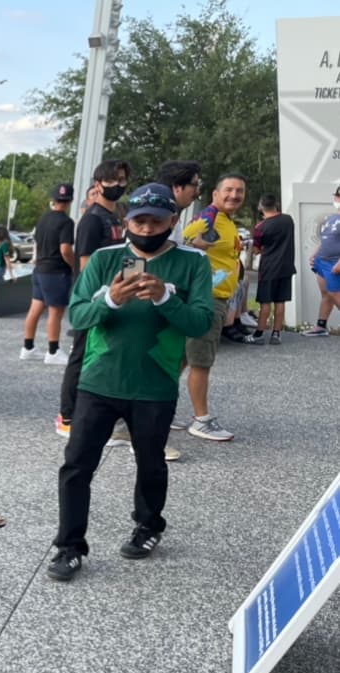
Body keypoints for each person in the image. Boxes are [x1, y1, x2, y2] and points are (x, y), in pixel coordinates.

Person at [47, 184, 212, 582]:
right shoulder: (105, 258)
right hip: (99, 380)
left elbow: (201, 321)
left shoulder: (192, 263)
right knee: (76, 465)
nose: (148, 227)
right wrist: (111, 300)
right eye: (140, 219)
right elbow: (78, 316)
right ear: (126, 222)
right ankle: (69, 546)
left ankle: (149, 525)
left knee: (151, 462)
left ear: (173, 221)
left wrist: (164, 298)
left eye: (157, 220)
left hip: (153, 383)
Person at [56, 159, 131, 438]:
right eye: (112, 180)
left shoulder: (117, 217)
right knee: (81, 353)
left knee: (101, 354)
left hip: (115, 296)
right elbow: (86, 265)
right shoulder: (91, 219)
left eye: (122, 179)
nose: (118, 185)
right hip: (93, 298)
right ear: (98, 184)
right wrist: (106, 292)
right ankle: (68, 415)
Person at [181, 173, 246, 441]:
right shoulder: (210, 217)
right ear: (215, 194)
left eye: (239, 191)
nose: (234, 195)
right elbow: (186, 240)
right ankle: (201, 420)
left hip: (217, 297)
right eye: (228, 190)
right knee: (201, 361)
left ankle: (158, 409)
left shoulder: (227, 221)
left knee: (181, 359)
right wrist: (196, 241)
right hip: (206, 300)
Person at [22, 183, 75, 364]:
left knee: (35, 309)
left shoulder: (43, 219)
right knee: (55, 312)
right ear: (70, 201)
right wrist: (74, 266)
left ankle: (27, 347)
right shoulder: (67, 222)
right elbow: (65, 249)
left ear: (53, 199)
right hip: (56, 271)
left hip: (39, 269)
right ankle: (53, 351)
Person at [251, 194, 295, 344]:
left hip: (269, 268)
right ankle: (276, 334)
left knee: (265, 302)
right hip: (286, 267)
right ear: (276, 204)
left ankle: (259, 334)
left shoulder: (260, 227)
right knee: (280, 301)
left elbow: (256, 250)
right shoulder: (288, 220)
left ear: (260, 207)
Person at [304, 184, 340, 337]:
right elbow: (324, 239)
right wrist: (314, 254)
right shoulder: (332, 217)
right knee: (326, 294)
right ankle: (321, 326)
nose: (337, 199)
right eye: (337, 196)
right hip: (322, 261)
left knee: (335, 294)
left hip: (334, 262)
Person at [157, 161, 203, 245]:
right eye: (195, 185)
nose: (197, 192)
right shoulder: (162, 219)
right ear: (177, 187)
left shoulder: (168, 214)